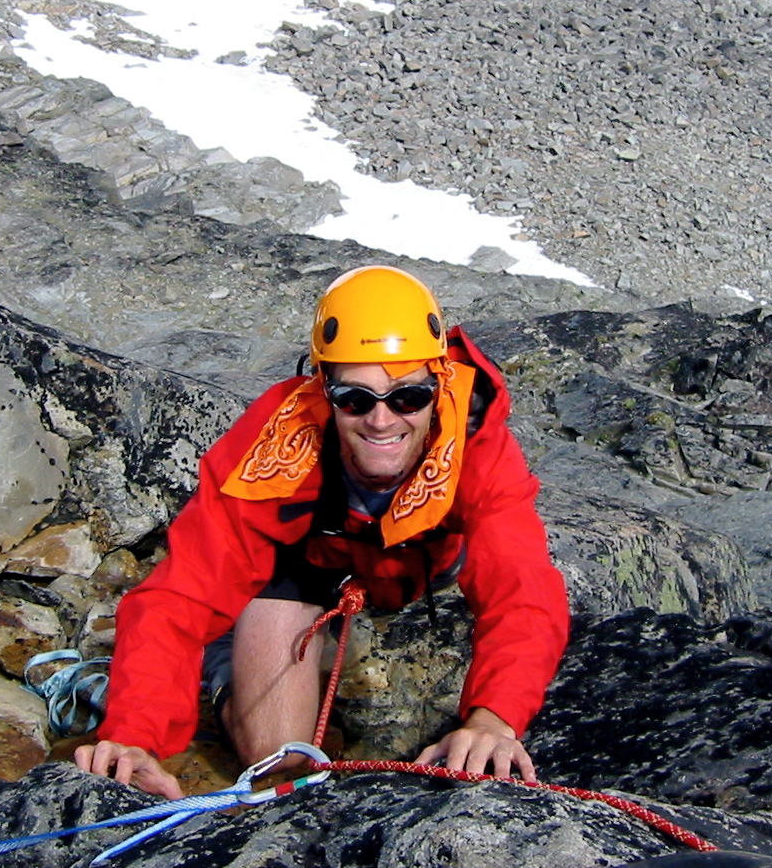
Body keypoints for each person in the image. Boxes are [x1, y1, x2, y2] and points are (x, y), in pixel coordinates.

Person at [75, 265, 570, 799]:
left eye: (408, 397)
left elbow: (523, 592)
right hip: (301, 568)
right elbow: (180, 592)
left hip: (414, 569)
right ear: (323, 386)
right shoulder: (276, 441)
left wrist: (494, 719)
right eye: (355, 399)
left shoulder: (476, 446)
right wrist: (132, 737)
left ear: (439, 380)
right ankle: (222, 665)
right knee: (281, 768)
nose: (382, 421)